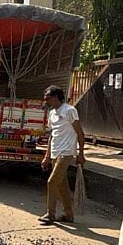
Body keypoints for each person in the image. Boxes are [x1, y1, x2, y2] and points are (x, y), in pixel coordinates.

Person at [39, 85, 85, 225]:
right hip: (55, 152)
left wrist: (81, 153)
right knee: (61, 186)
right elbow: (52, 136)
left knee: (51, 182)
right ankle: (68, 214)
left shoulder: (69, 111)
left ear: (56, 97)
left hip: (66, 152)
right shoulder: (52, 113)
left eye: (48, 98)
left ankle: (50, 214)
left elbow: (80, 133)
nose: (46, 101)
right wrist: (47, 156)